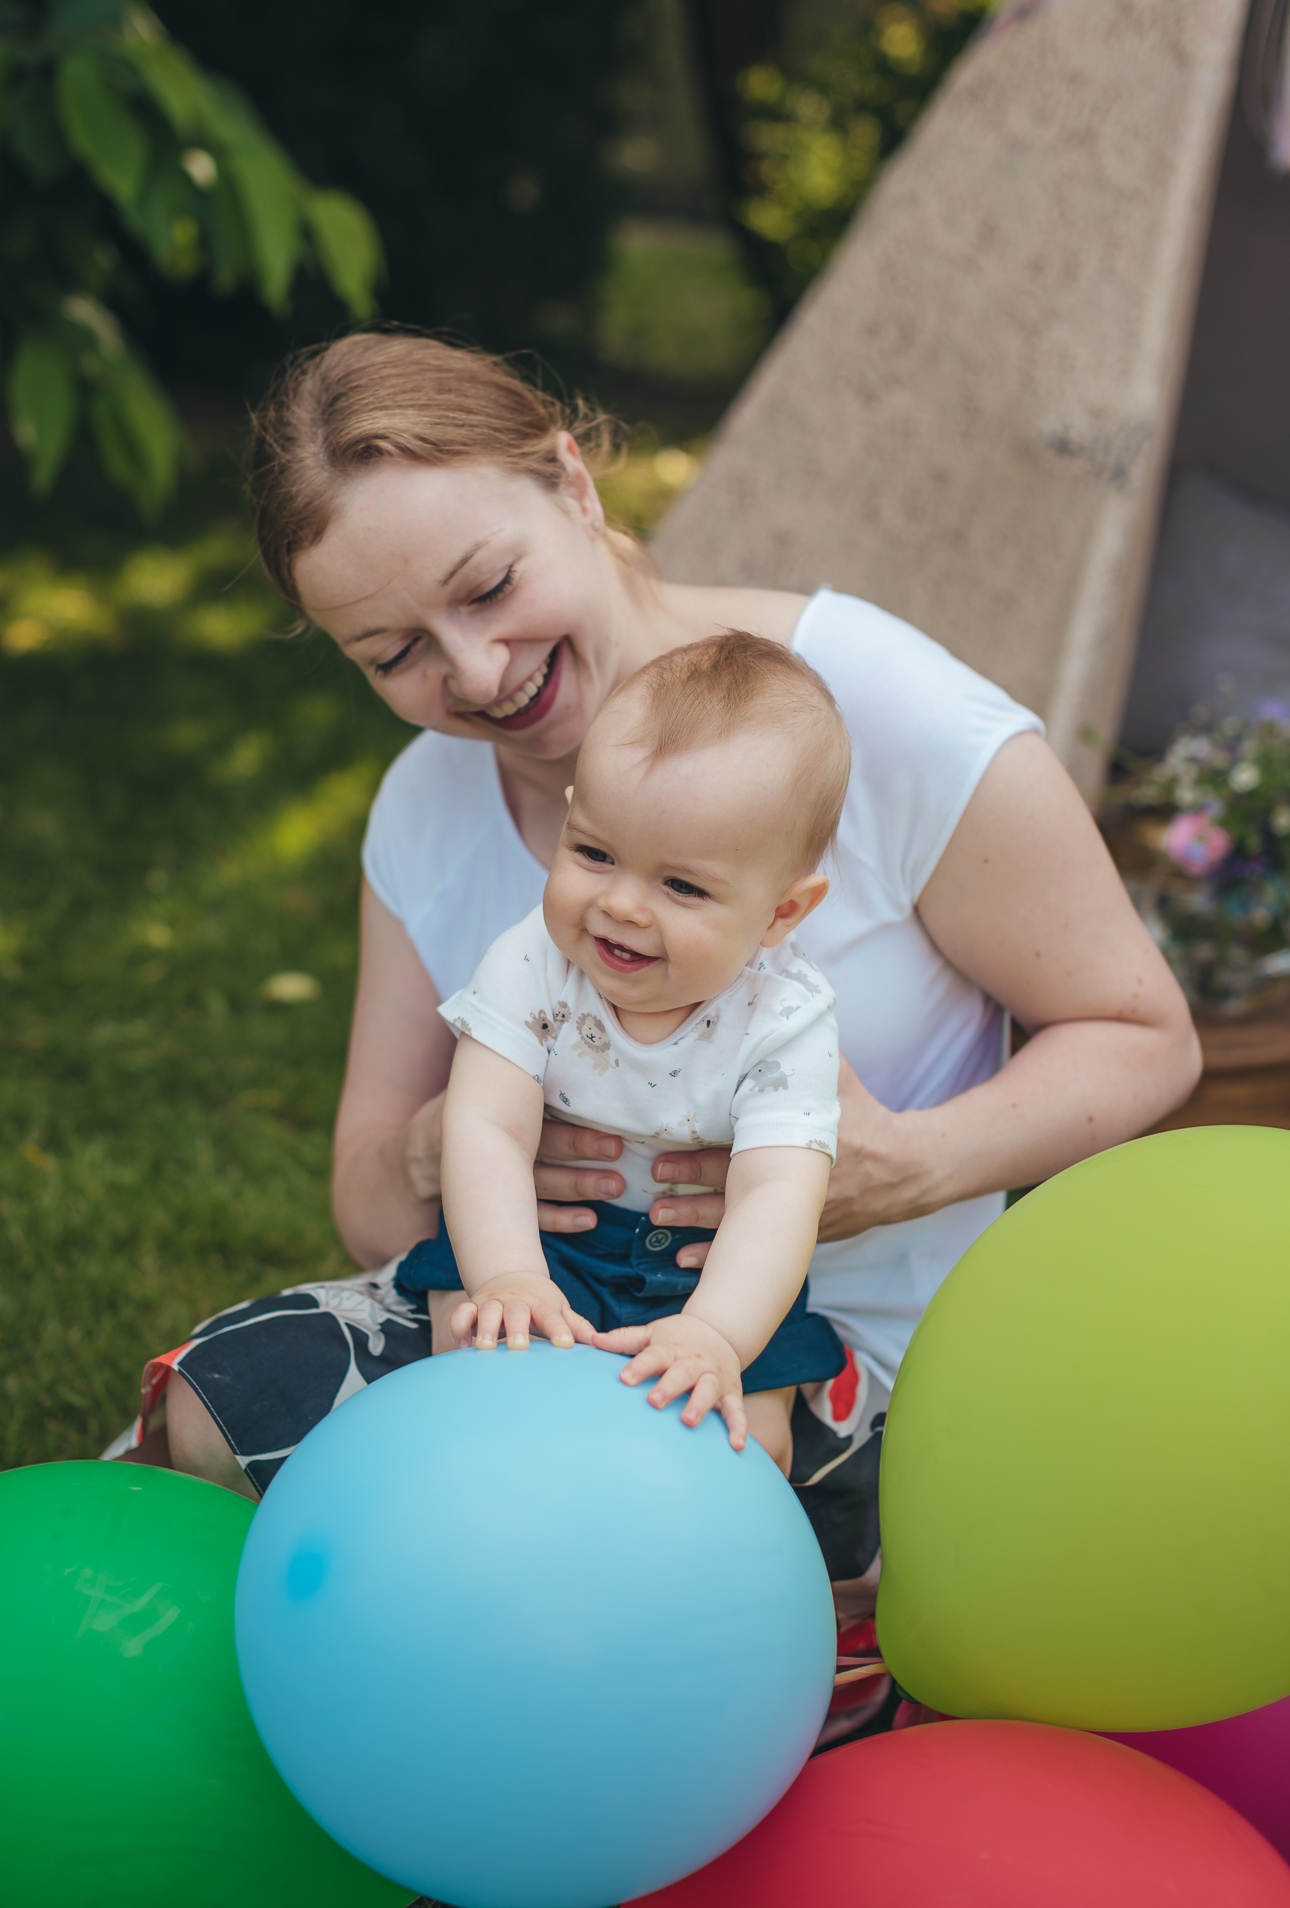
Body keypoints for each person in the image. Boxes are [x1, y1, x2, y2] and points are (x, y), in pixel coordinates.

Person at [121, 330, 1199, 1660]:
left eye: (489, 587)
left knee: (618, 1576)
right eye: (390, 652)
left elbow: (1142, 1035)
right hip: (535, 1319)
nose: (472, 674)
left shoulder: (877, 715)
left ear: (571, 485)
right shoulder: (425, 812)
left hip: (825, 1353)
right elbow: (363, 1192)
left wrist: (903, 1165)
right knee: (226, 1422)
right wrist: (451, 1143)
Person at [397, 630, 850, 1473]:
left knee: (753, 1440)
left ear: (782, 914)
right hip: (540, 1236)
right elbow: (487, 1129)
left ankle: (715, 1573)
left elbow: (775, 1197)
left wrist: (714, 1333)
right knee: (472, 1362)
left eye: (681, 886)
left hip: (708, 1272)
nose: (622, 906)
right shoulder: (531, 959)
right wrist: (509, 1276)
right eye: (595, 853)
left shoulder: (783, 1021)